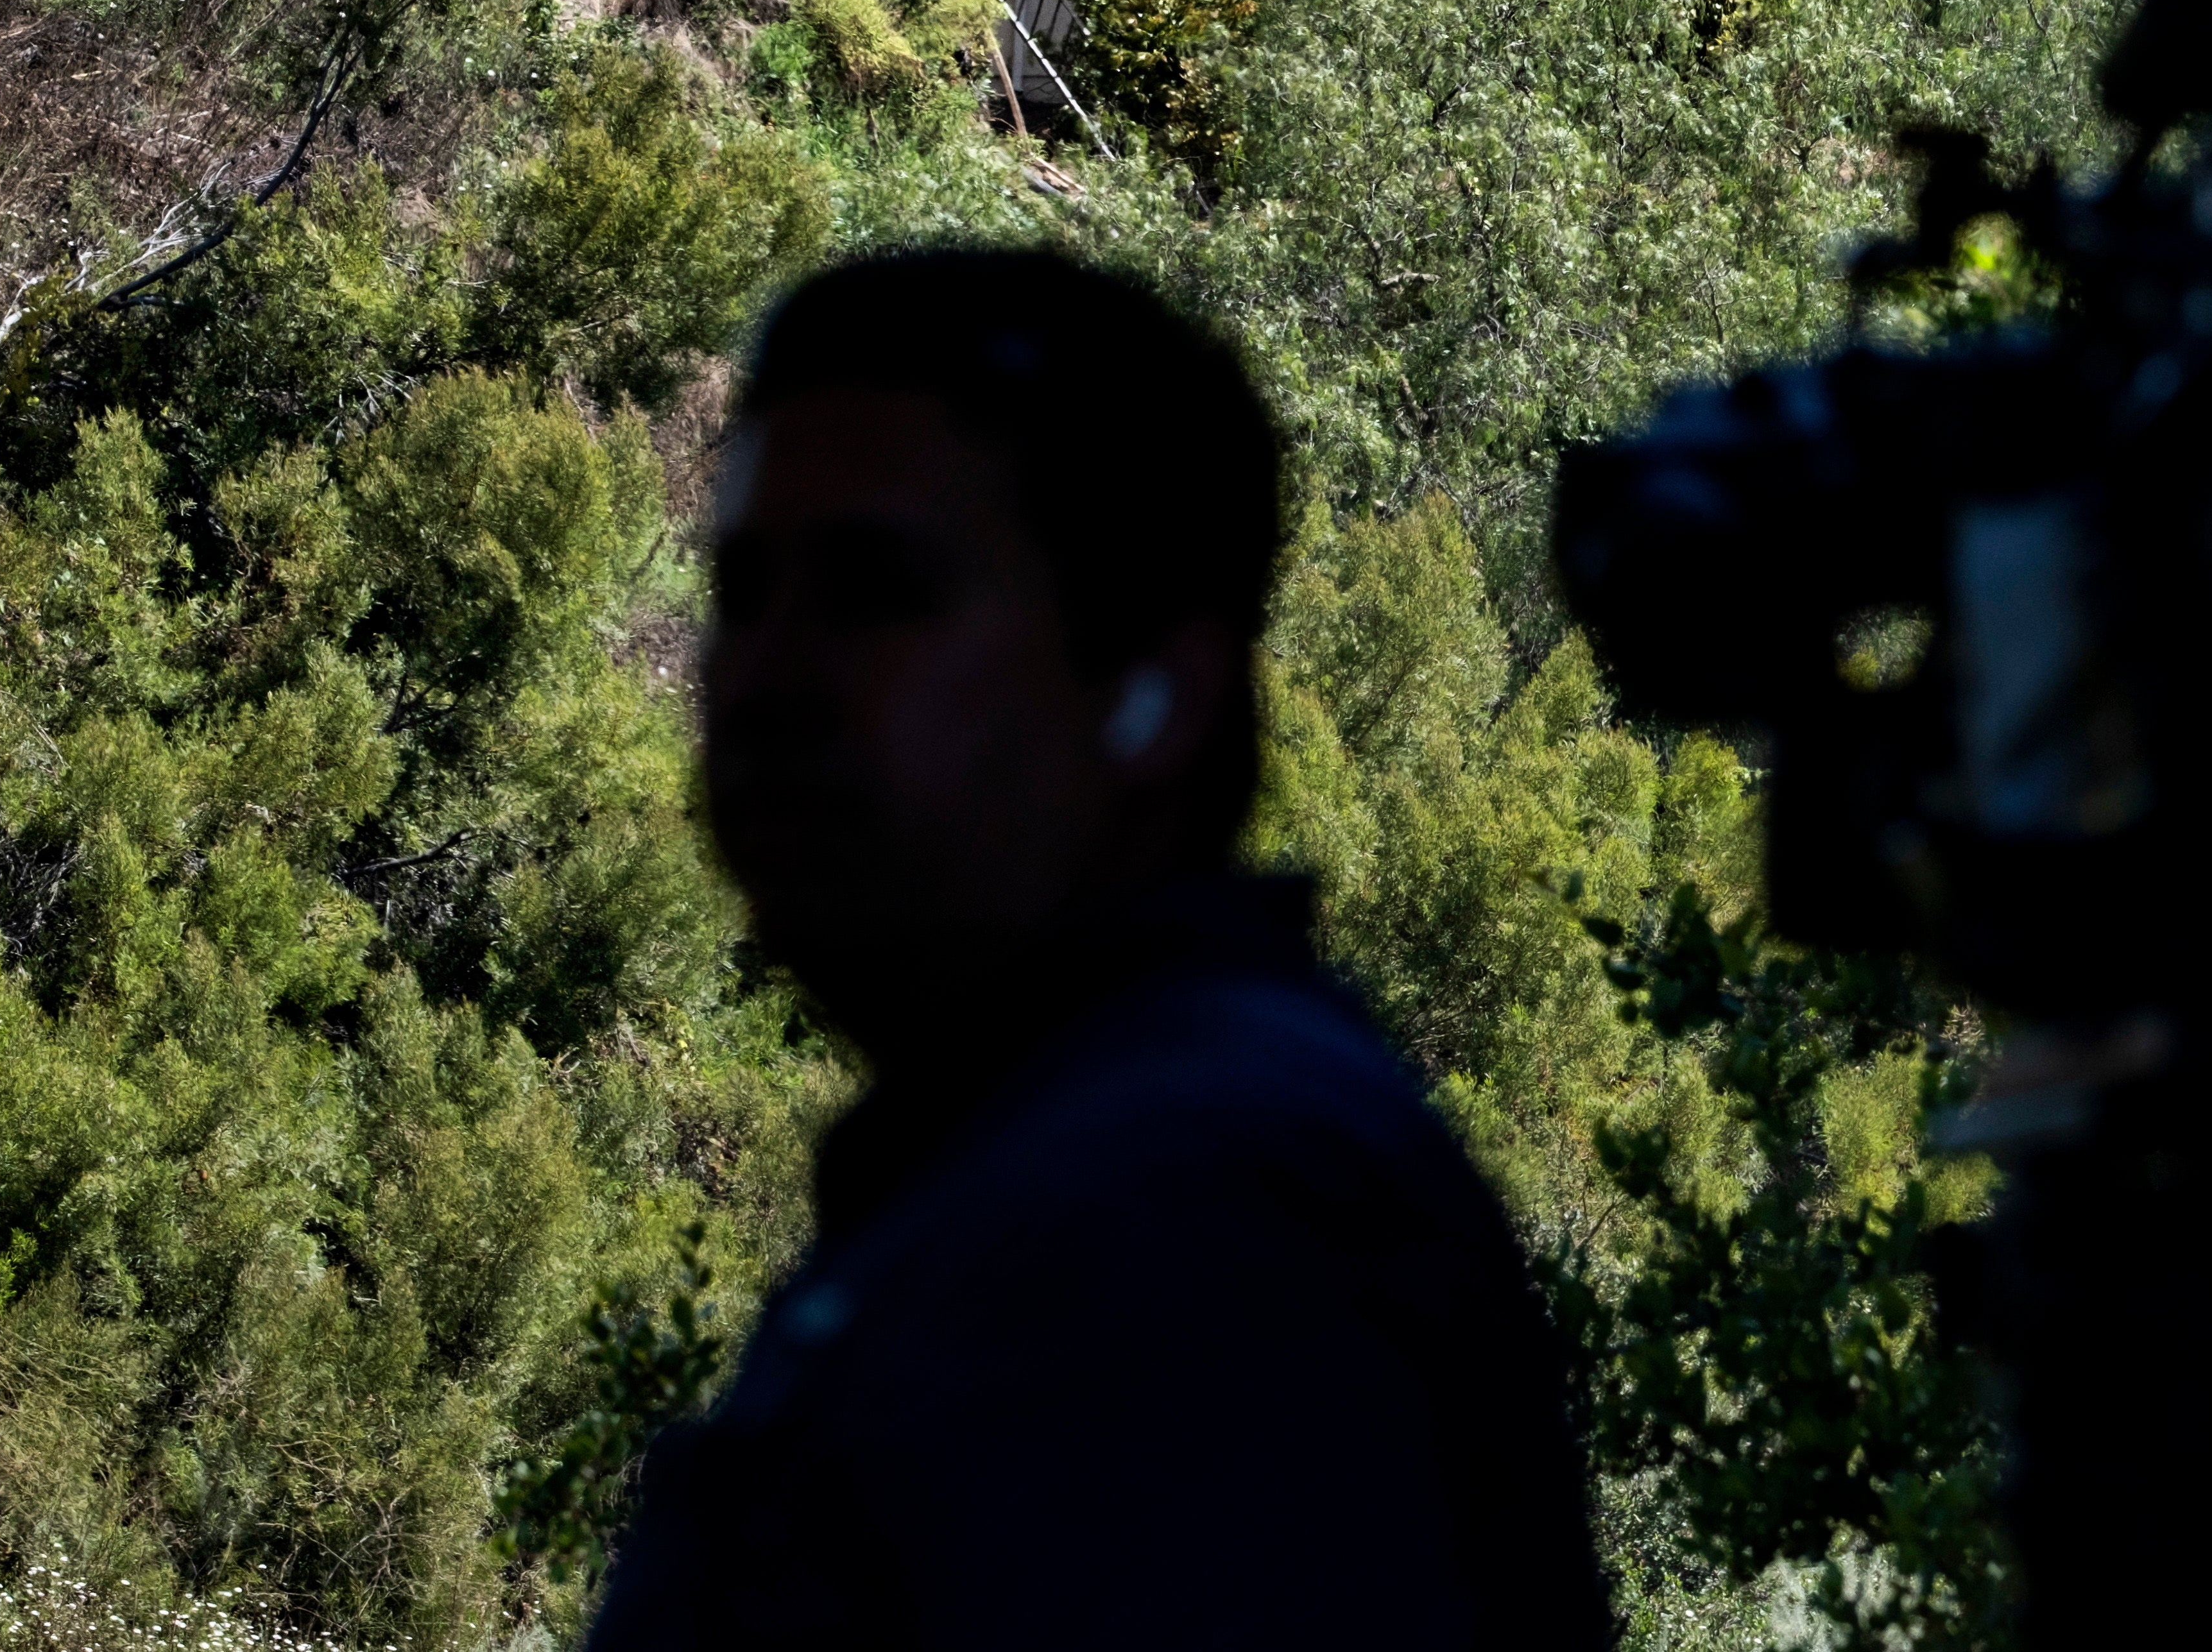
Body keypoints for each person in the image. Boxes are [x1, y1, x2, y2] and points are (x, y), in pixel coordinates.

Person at [587, 248, 1611, 1651]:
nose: (761, 677)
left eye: (877, 592)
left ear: (1157, 693)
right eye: (745, 591)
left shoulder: (1201, 1220)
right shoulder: (1059, 1164)